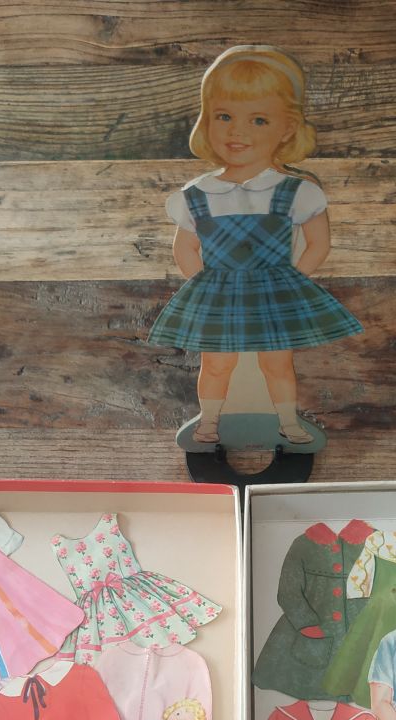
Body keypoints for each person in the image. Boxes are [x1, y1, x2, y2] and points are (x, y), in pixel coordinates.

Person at [147, 44, 363, 444]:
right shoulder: (199, 194)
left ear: (287, 128)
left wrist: (290, 283)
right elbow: (185, 248)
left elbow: (318, 244)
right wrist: (207, 290)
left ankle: (287, 422)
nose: (237, 131)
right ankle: (210, 421)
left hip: (273, 291)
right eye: (224, 116)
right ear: (206, 120)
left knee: (278, 362)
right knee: (216, 362)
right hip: (219, 291)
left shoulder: (294, 191)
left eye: (259, 119)